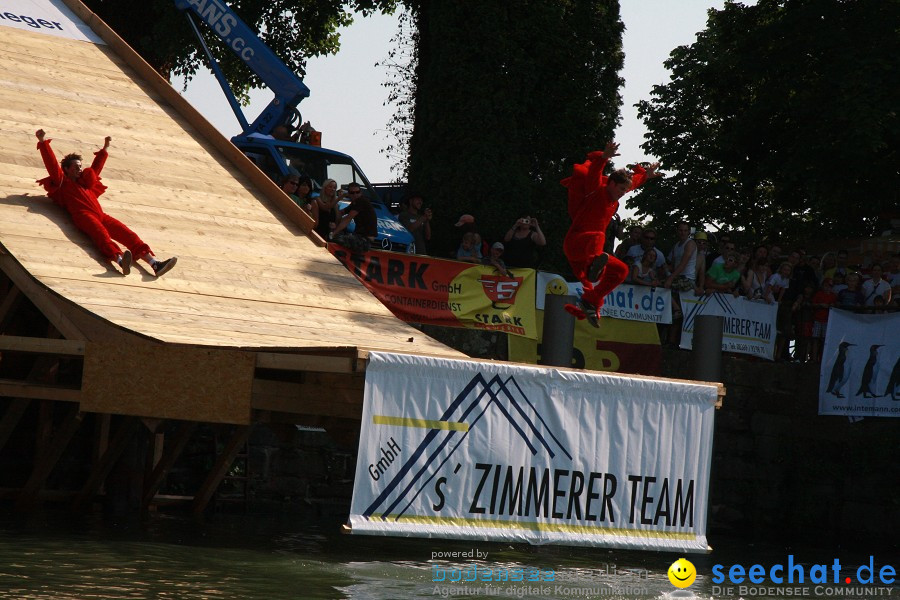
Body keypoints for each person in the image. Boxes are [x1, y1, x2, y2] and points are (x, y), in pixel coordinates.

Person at [34, 129, 176, 277]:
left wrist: (105, 148)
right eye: (76, 167)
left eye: (80, 166)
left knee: (129, 235)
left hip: (101, 215)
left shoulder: (86, 184)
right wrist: (43, 142)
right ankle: (120, 260)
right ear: (67, 169)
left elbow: (96, 168)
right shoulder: (63, 182)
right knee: (102, 236)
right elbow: (51, 164)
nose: (80, 169)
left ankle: (155, 264)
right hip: (83, 216)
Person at [560, 141, 659, 327]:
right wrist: (604, 157)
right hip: (577, 243)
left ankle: (592, 299)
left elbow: (633, 183)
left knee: (622, 270)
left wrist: (645, 175)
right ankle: (594, 266)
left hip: (591, 250)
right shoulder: (595, 191)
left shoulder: (616, 195)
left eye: (625, 190)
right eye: (621, 189)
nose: (623, 193)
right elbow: (594, 173)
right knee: (599, 235)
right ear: (611, 184)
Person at [331, 182, 376, 253]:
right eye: (352, 193)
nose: (355, 195)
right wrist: (338, 199)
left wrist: (333, 233)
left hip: (365, 240)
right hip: (359, 237)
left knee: (335, 238)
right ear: (349, 194)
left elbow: (347, 219)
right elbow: (340, 213)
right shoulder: (354, 203)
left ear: (360, 192)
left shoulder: (361, 201)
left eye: (357, 192)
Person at [810, 278, 837, 362]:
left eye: (829, 286)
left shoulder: (833, 296)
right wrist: (820, 305)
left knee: (825, 340)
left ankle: (823, 358)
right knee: (815, 339)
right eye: (825, 285)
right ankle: (814, 358)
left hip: (827, 320)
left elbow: (835, 304)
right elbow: (813, 304)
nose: (827, 288)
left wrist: (831, 305)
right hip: (818, 319)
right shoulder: (818, 294)